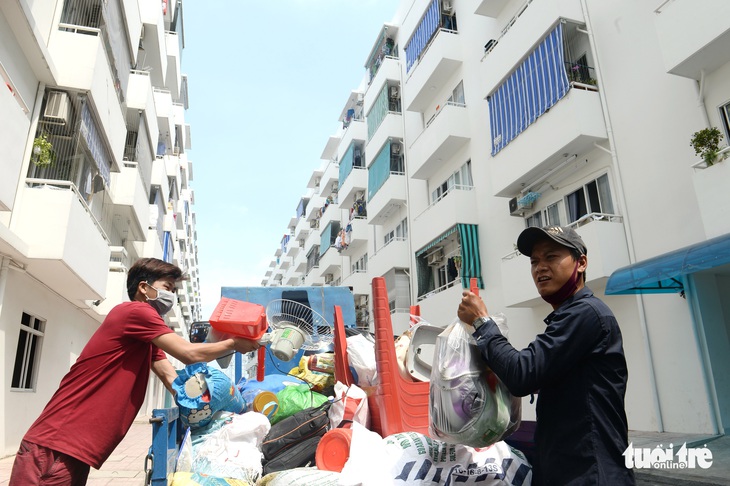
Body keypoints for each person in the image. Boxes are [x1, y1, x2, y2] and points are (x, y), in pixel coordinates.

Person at [9, 257, 260, 485]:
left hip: (72, 447)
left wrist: (207, 404)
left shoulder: (146, 335)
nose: (172, 297)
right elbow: (188, 353)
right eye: (168, 288)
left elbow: (170, 378)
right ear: (144, 288)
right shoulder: (136, 312)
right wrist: (233, 343)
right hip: (55, 443)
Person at [458, 226, 635, 485]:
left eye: (551, 257)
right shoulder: (568, 317)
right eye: (534, 261)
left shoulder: (586, 313)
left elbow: (521, 374)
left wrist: (482, 323)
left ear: (581, 263)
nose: (540, 268)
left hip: (592, 474)